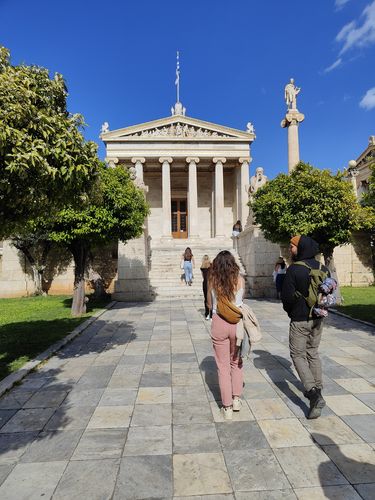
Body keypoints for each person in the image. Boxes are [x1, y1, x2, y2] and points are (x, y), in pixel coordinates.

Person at [281, 235, 329, 419]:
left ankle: (312, 392)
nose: (290, 249)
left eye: (292, 246)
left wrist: (291, 311)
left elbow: (286, 297)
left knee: (298, 354)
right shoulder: (323, 268)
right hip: (319, 318)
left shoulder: (294, 269)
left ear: (300, 248)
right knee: (313, 352)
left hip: (300, 319)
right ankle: (319, 390)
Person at [207, 250, 245, 420]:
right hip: (236, 323)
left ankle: (227, 407)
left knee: (222, 366)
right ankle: (236, 399)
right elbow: (241, 302)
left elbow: (209, 303)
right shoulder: (240, 279)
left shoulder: (213, 280)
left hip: (219, 322)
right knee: (236, 362)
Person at [200, 255, 212, 320]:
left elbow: (203, 276)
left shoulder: (202, 267)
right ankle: (211, 315)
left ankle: (207, 313)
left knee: (206, 298)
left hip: (205, 283)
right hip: (211, 283)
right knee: (211, 298)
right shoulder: (211, 265)